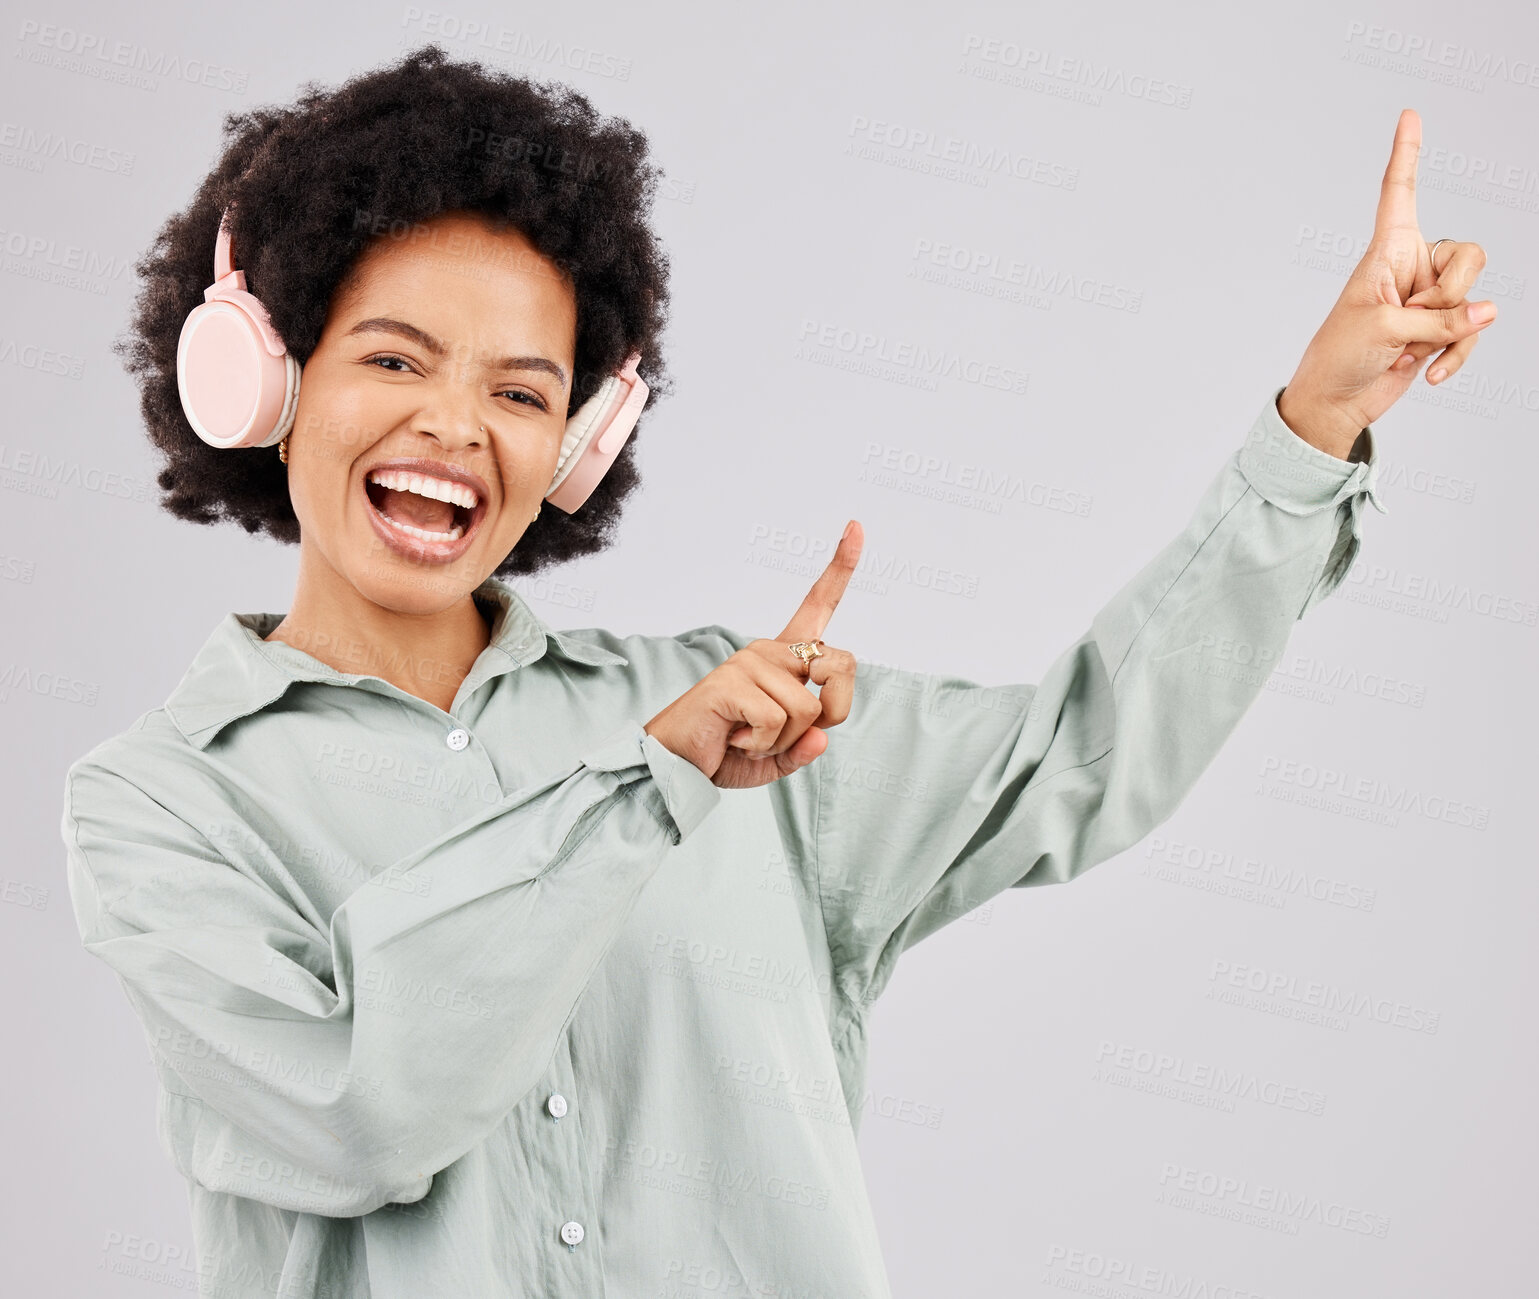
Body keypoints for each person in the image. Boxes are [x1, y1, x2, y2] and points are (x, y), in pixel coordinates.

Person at [59, 45, 1494, 1299]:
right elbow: (355, 1112)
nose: (456, 427)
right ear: (268, 377)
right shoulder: (162, 810)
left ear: (575, 445)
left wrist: (1315, 427)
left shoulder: (745, 723)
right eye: (394, 360)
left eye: (520, 392)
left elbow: (1082, 753)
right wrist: (650, 788)